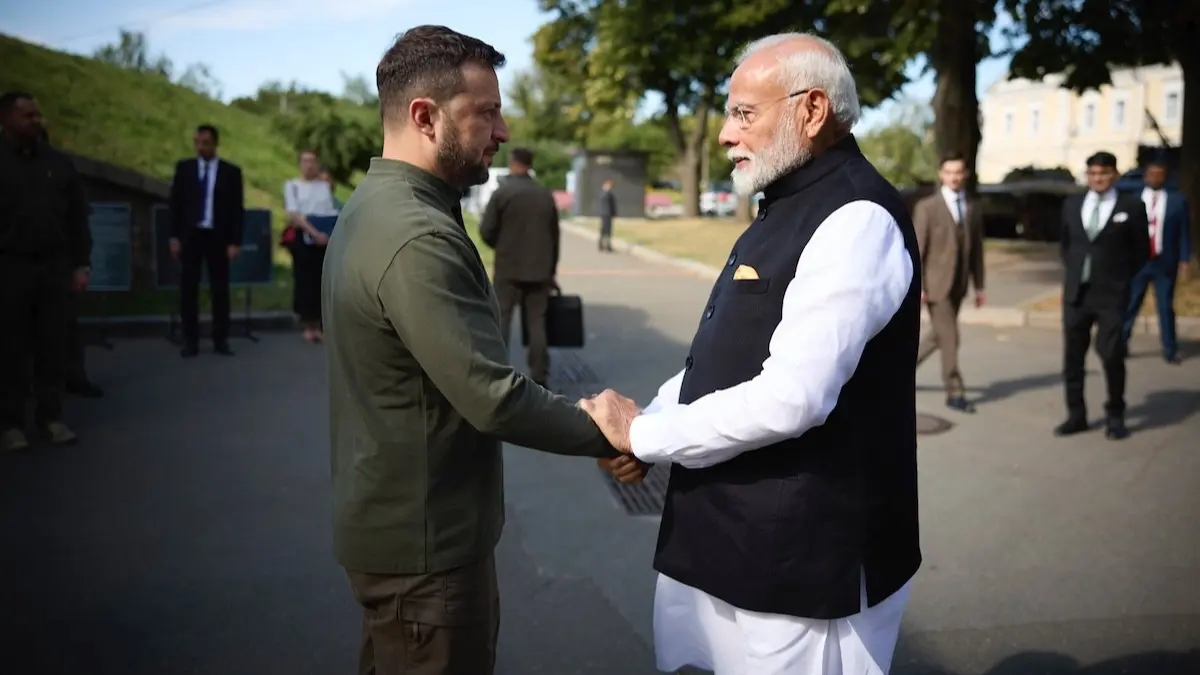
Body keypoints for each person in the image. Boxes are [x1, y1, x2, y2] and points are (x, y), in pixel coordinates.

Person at [580, 33, 920, 675]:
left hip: (801, 565)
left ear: (811, 111)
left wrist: (647, 434)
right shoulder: (787, 204)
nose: (725, 135)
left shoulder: (856, 217)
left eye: (744, 113)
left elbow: (792, 398)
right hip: (717, 538)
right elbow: (725, 359)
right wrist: (642, 429)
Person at [320, 26, 641, 675]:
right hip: (427, 552)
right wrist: (608, 433)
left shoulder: (383, 206)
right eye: (486, 112)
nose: (501, 131)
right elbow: (490, 394)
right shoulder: (415, 235)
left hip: (402, 530)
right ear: (425, 116)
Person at [0, 91, 92, 450]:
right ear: (7, 119)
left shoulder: (58, 163)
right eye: (28, 116)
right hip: (9, 267)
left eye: (38, 114)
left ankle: (50, 417)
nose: (37, 121)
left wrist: (81, 264)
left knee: (52, 344)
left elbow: (77, 219)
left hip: (54, 268)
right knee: (10, 347)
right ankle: (10, 423)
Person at [1055, 151, 1149, 440]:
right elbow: (1065, 245)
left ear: (1115, 175)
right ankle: (1076, 415)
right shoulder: (1072, 204)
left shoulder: (1131, 206)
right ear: (1087, 176)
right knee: (1073, 359)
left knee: (1111, 354)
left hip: (1110, 295)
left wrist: (1120, 279)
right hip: (1076, 295)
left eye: (1104, 173)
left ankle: (1115, 414)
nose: (1098, 178)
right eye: (1093, 173)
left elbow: (1141, 252)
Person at [479, 146, 560, 385]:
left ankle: (498, 374)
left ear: (513, 162)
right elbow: (554, 236)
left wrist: (501, 245)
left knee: (502, 320)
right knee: (537, 324)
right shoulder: (544, 195)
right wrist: (551, 270)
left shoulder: (503, 194)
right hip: (539, 270)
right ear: (531, 164)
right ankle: (540, 376)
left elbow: (486, 230)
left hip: (508, 267)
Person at [913, 152, 986, 413]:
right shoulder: (927, 208)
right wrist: (918, 285)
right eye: (949, 172)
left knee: (937, 337)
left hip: (959, 285)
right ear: (941, 175)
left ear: (964, 175)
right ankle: (955, 391)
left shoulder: (972, 207)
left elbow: (976, 250)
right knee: (951, 337)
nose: (954, 177)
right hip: (935, 286)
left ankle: (896, 371)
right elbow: (917, 249)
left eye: (959, 172)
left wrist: (979, 286)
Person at [168, 123, 245, 358]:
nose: (200, 147)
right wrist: (174, 237)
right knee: (188, 289)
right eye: (197, 143)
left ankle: (220, 338)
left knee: (219, 289)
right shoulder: (185, 169)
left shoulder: (230, 172)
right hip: (191, 236)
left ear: (215, 144)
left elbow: (236, 209)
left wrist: (234, 241)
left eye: (205, 143)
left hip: (217, 237)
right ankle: (190, 340)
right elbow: (175, 205)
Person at [1122, 159, 1191, 364]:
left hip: (1164, 262)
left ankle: (1170, 349)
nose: (1155, 178)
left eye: (1160, 174)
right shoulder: (1133, 201)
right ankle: (1121, 344)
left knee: (1165, 306)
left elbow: (1184, 233)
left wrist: (1184, 259)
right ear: (1145, 177)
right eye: (1152, 174)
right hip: (1138, 263)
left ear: (1165, 177)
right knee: (1131, 304)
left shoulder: (1177, 201)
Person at [283, 149, 337, 343]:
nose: (309, 165)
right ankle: (308, 324)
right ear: (300, 164)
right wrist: (313, 232)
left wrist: (325, 234)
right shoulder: (293, 186)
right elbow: (294, 214)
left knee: (322, 281)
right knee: (304, 281)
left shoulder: (324, 186)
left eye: (313, 161)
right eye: (305, 161)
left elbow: (330, 210)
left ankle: (322, 324)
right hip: (304, 237)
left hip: (324, 238)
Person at [598, 178, 616, 251]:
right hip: (606, 214)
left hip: (605, 213)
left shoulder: (606, 193)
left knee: (605, 230)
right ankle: (606, 245)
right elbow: (610, 204)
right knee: (606, 230)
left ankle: (603, 244)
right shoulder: (606, 194)